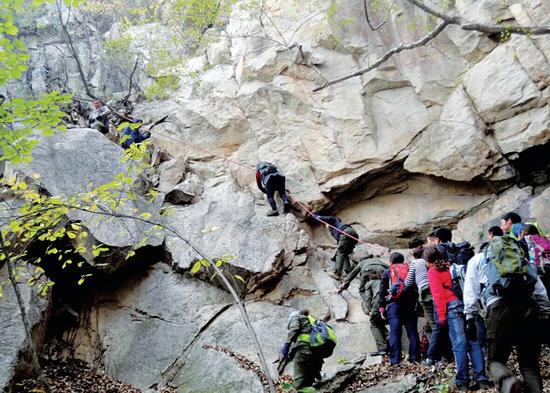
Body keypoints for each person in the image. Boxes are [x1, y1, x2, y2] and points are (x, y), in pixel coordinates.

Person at [463, 228, 550, 393]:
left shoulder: (478, 260)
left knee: (495, 362)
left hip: (498, 308)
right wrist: (545, 315)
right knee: (529, 365)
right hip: (528, 306)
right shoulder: (521, 260)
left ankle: (510, 384)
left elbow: (471, 292)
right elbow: (540, 290)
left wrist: (470, 317)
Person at [424, 246, 490, 391]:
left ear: (428, 261)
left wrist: (441, 317)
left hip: (452, 309)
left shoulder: (433, 271)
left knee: (459, 344)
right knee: (473, 343)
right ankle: (482, 379)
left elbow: (439, 296)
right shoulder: (451, 266)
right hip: (467, 306)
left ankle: (462, 382)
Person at [337, 255, 389, 356]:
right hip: (382, 271)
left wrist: (343, 286)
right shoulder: (379, 261)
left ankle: (369, 308)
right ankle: (377, 308)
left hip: (367, 271)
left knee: (362, 290)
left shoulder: (362, 263)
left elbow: (352, 274)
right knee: (382, 288)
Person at [378, 252, 419, 365]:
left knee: (395, 333)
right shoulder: (409, 270)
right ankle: (415, 358)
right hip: (410, 305)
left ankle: (395, 360)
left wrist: (382, 308)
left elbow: (381, 292)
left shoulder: (388, 272)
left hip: (393, 306)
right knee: (412, 332)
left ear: (391, 261)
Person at [280, 310, 332, 392]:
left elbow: (294, 329)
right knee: (308, 383)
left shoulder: (295, 316)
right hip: (315, 351)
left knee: (299, 384)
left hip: (303, 350)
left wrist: (286, 346)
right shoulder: (311, 321)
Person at [313, 214, 358, 280]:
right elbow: (340, 244)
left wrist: (316, 216)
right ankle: (348, 271)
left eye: (326, 224)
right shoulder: (335, 230)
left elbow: (328, 218)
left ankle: (337, 273)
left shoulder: (334, 221)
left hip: (346, 232)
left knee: (340, 252)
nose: (326, 226)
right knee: (344, 253)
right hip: (353, 234)